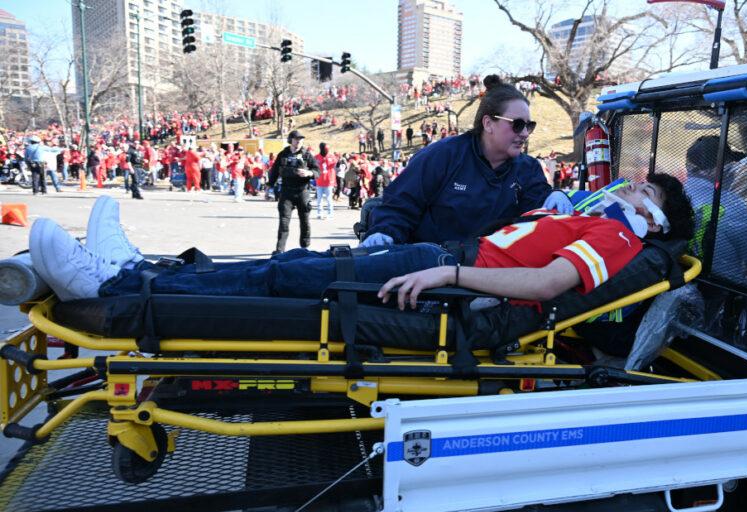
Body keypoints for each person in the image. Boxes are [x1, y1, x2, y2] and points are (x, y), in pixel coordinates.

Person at [28, 175, 693, 309]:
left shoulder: (620, 236)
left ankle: (113, 286)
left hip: (448, 269)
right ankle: (137, 272)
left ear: (654, 219)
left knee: (285, 278)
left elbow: (547, 284)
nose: (631, 187)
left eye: (645, 191)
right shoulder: (591, 217)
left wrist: (448, 276)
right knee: (293, 264)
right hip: (443, 257)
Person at [361, 74, 568, 248]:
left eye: (529, 126)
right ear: (488, 123)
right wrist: (384, 232)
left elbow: (537, 211)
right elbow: (401, 203)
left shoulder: (528, 168)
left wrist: (554, 196)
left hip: (493, 272)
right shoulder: (443, 155)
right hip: (433, 266)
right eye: (518, 124)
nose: (524, 133)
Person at [682, 135, 747, 278]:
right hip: (722, 287)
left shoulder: (676, 195)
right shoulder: (732, 204)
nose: (734, 170)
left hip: (685, 280)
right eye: (731, 165)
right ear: (722, 168)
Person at [268, 130, 320, 254]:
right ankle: (280, 250)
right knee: (284, 222)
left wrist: (309, 173)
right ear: (290, 140)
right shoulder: (283, 154)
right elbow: (274, 170)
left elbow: (317, 171)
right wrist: (269, 185)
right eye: (296, 139)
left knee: (304, 221)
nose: (299, 142)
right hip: (287, 192)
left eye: (301, 139)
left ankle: (305, 248)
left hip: (302, 191)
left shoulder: (307, 155)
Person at [315, 143, 337, 220]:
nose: (326, 151)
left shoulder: (331, 157)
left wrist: (326, 160)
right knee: (319, 199)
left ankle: (330, 214)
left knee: (329, 199)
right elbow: (314, 167)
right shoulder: (316, 157)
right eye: (325, 149)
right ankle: (319, 213)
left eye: (327, 149)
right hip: (319, 181)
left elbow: (334, 165)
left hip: (329, 181)